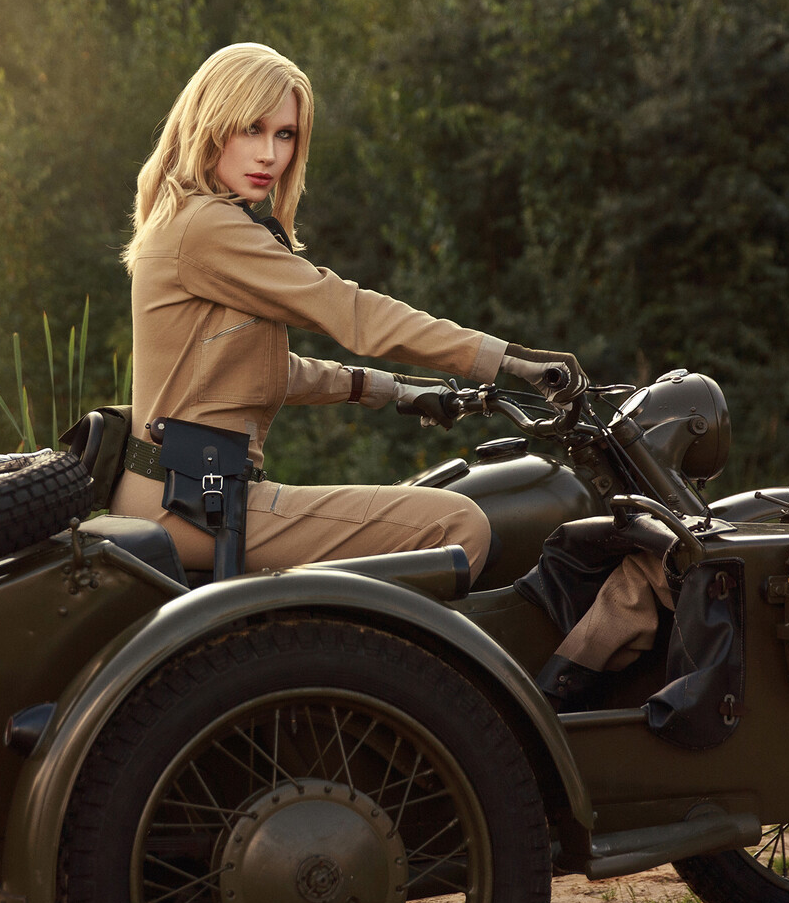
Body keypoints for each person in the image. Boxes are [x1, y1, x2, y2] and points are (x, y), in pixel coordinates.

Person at [110, 42, 584, 585]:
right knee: (458, 524)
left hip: (189, 494)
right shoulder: (206, 226)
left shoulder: (188, 220)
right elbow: (350, 311)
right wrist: (509, 360)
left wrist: (393, 390)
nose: (269, 155)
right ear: (210, 125)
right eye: (251, 129)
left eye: (285, 135)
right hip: (191, 503)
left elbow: (256, 371)